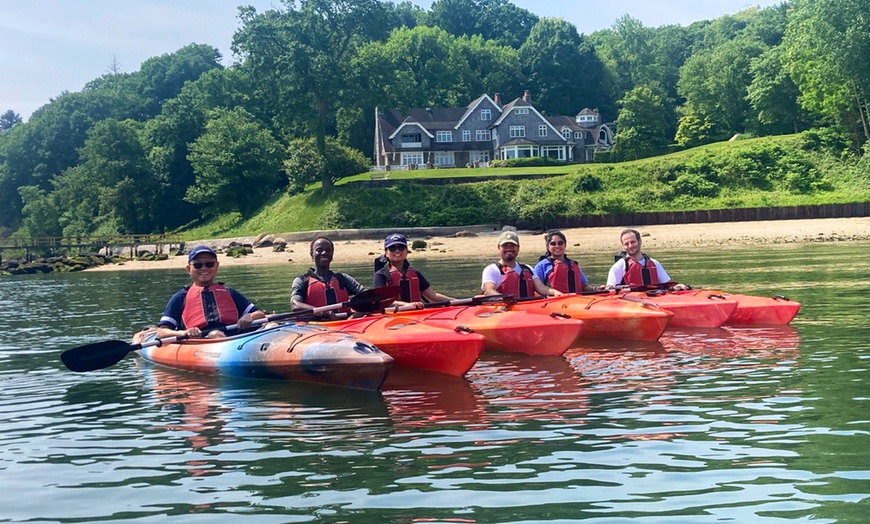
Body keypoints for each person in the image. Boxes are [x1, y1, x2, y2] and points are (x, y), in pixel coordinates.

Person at [156, 245, 266, 339]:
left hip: (235, 338)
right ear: (189, 269)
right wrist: (184, 332)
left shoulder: (229, 292)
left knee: (271, 325)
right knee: (216, 334)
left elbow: (260, 314)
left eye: (209, 264)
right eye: (198, 265)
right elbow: (161, 332)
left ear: (216, 266)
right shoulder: (180, 297)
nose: (204, 268)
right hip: (204, 341)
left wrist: (249, 317)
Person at [290, 236, 366, 316]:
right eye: (319, 250)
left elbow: (369, 296)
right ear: (312, 254)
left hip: (346, 322)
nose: (324, 253)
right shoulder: (302, 280)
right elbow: (295, 305)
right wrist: (324, 313)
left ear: (332, 255)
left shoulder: (343, 279)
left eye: (328, 250)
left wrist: (358, 313)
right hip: (315, 325)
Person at [372, 233, 453, 306]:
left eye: (401, 247)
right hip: (392, 315)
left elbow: (433, 297)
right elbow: (381, 301)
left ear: (406, 251)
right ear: (386, 252)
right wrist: (405, 305)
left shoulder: (415, 273)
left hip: (415, 314)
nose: (397, 250)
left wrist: (458, 301)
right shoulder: (380, 275)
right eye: (392, 248)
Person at [481, 230, 561, 298]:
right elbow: (489, 290)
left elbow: (541, 287)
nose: (509, 248)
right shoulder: (491, 270)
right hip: (506, 310)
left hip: (528, 310)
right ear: (499, 248)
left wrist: (554, 292)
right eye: (505, 246)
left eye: (512, 245)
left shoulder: (527, 268)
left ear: (518, 248)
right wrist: (503, 299)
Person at [606, 228, 686, 290]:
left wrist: (677, 287)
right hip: (632, 302)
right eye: (626, 244)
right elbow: (610, 289)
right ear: (623, 246)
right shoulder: (619, 266)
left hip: (654, 299)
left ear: (640, 241)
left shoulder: (654, 264)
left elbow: (666, 285)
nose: (630, 246)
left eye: (633, 242)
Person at [533, 230, 600, 294]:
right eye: (553, 244)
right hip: (553, 301)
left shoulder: (572, 264)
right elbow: (537, 289)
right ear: (548, 246)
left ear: (565, 245)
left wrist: (595, 289)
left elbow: (584, 286)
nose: (557, 246)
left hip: (575, 301)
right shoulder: (541, 266)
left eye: (560, 243)